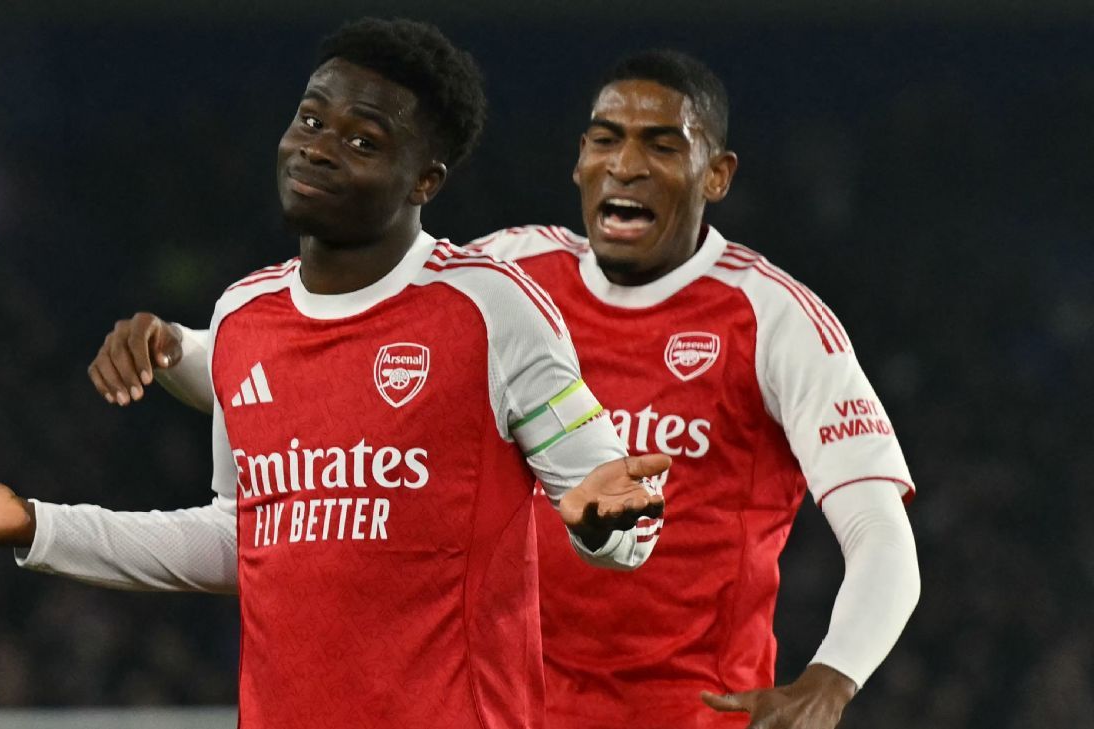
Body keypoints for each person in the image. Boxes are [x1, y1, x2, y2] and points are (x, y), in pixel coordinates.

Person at [0, 20, 672, 729]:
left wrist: (605, 524)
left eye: (363, 140)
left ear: (426, 179)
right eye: (310, 119)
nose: (318, 147)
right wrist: (37, 523)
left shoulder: (492, 309)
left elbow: (626, 526)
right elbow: (246, 540)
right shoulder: (245, 315)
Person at [98, 50, 920, 729]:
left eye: (663, 146)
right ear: (579, 161)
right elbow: (309, 379)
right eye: (606, 140)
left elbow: (880, 531)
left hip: (688, 715)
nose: (626, 164)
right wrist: (176, 351)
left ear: (717, 175)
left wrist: (833, 676)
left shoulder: (773, 318)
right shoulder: (508, 278)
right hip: (514, 708)